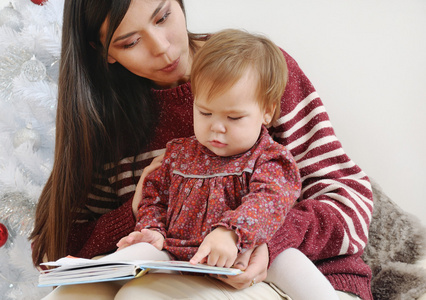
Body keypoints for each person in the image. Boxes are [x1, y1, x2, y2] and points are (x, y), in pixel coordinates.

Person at [31, 0, 374, 299]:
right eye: (131, 42)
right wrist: (139, 214)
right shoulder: (102, 115)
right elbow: (56, 247)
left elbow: (349, 199)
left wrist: (266, 242)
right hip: (176, 265)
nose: (162, 48)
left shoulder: (253, 71)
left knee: (143, 295)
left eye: (163, 17)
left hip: (302, 271)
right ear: (102, 51)